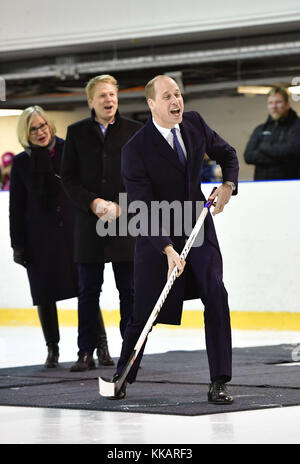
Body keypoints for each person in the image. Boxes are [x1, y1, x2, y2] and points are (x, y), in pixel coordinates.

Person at [110, 75, 239, 404]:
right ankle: (123, 373)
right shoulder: (135, 149)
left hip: (198, 225)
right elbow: (141, 209)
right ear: (152, 104)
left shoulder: (194, 123)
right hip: (158, 235)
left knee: (215, 291)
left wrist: (228, 186)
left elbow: (228, 154)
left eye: (178, 94)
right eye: (167, 96)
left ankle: (219, 380)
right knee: (144, 312)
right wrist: (167, 248)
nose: (176, 101)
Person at [61, 74, 142, 372]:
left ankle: (131, 351)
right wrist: (93, 203)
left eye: (112, 95)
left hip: (124, 221)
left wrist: (124, 206)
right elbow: (67, 179)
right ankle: (85, 352)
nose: (109, 100)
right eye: (102, 96)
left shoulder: (135, 131)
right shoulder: (76, 132)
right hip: (89, 222)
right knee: (88, 291)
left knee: (130, 292)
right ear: (91, 101)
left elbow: (142, 177)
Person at [9, 106, 78, 368]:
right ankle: (53, 349)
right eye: (33, 129)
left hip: (73, 234)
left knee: (87, 291)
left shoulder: (68, 150)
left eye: (42, 126)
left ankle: (98, 348)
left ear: (49, 125)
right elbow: (16, 207)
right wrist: (18, 245)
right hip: (39, 240)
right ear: (26, 134)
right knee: (44, 295)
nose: (40, 132)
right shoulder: (21, 163)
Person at [244, 87, 300, 180]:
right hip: (263, 186)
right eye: (270, 103)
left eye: (278, 102)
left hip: (291, 186)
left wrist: (263, 147)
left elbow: (292, 151)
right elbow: (248, 156)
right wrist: (282, 158)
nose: (274, 106)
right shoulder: (260, 129)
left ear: (287, 104)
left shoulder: (297, 126)